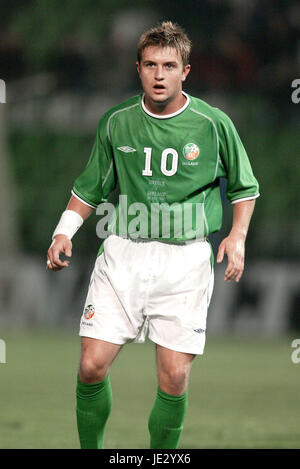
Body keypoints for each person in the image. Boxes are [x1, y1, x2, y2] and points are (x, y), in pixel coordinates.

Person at [46, 21, 259, 449]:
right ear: (137, 68)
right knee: (91, 366)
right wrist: (63, 232)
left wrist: (236, 236)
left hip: (185, 262)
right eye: (150, 65)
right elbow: (89, 188)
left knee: (175, 376)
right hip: (123, 254)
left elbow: (245, 186)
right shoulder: (116, 122)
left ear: (186, 71)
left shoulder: (213, 124)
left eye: (169, 65)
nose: (159, 75)